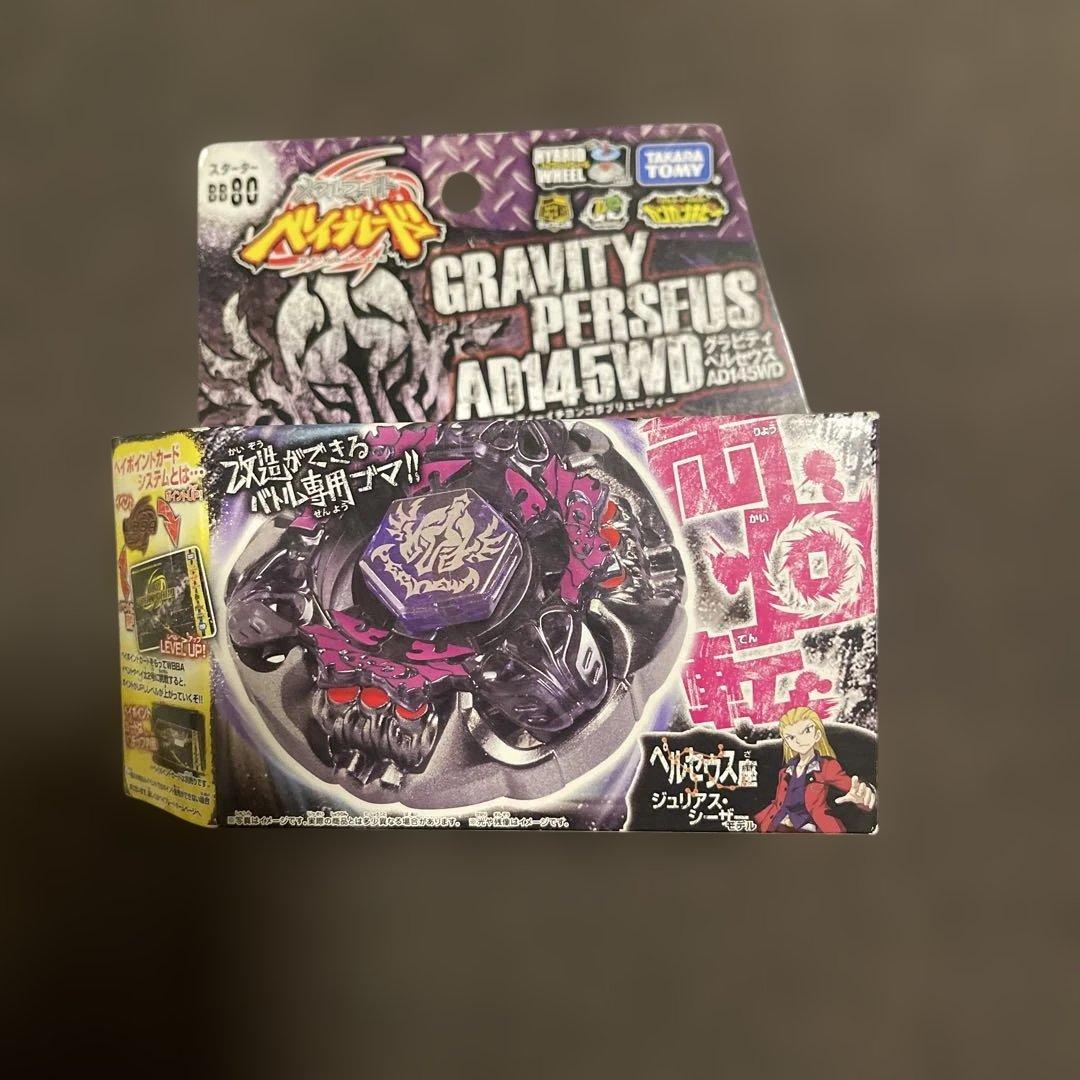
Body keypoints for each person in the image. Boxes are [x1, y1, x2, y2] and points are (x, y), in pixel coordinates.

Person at [755, 706, 876, 833]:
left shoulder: (827, 766)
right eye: (791, 737)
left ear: (817, 735)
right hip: (779, 826)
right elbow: (778, 803)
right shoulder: (785, 772)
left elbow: (853, 787)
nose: (799, 740)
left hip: (812, 829)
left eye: (806, 731)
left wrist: (864, 797)